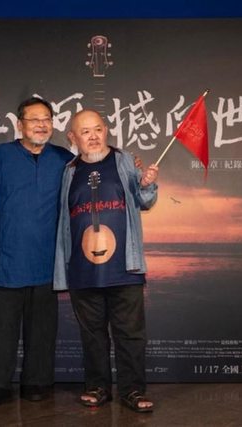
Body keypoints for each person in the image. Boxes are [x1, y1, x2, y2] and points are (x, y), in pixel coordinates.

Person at [0, 97, 74, 409]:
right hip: (8, 258)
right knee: (3, 330)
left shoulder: (64, 159)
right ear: (19, 125)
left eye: (46, 119)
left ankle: (36, 382)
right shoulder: (0, 155)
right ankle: (0, 386)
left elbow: (87, 190)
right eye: (34, 119)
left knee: (42, 329)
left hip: (48, 260)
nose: (41, 125)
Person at [53, 109, 158, 413]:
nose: (93, 136)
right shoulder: (69, 171)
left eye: (98, 129)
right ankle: (97, 387)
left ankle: (133, 390)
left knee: (130, 334)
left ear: (106, 130)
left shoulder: (124, 161)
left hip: (125, 268)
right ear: (73, 137)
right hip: (82, 270)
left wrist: (147, 184)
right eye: (85, 131)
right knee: (92, 335)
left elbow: (145, 200)